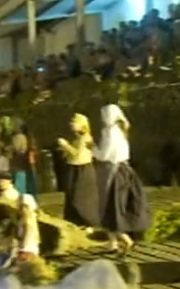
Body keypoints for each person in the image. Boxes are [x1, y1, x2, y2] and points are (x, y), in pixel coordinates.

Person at [92, 104, 151, 252]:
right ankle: (114, 242)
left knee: (112, 206)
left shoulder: (111, 133)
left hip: (114, 173)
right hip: (120, 171)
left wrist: (91, 147)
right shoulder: (117, 131)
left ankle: (125, 240)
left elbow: (105, 155)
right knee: (110, 208)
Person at [57, 113, 100, 230]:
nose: (71, 124)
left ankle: (88, 222)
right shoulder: (77, 137)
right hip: (73, 168)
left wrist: (65, 145)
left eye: (74, 122)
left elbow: (77, 154)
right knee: (71, 196)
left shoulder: (85, 137)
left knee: (81, 198)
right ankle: (74, 222)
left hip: (83, 170)